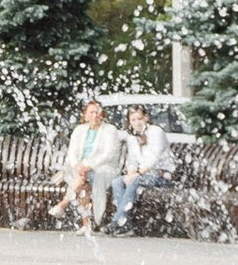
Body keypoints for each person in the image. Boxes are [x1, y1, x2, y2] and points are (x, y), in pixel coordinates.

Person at [58, 98, 122, 229]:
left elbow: (108, 154)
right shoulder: (79, 130)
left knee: (83, 178)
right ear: (85, 115)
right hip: (80, 170)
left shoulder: (110, 130)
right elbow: (72, 154)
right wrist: (77, 166)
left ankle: (64, 204)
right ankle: (86, 223)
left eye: (97, 112)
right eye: (91, 112)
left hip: (103, 168)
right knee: (83, 179)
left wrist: (89, 166)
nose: (95, 115)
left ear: (102, 114)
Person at [111, 103, 172, 228]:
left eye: (139, 119)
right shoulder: (132, 137)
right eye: (133, 120)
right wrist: (130, 174)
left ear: (146, 118)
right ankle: (126, 223)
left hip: (161, 175)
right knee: (117, 182)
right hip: (143, 175)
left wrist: (136, 175)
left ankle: (118, 221)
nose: (137, 123)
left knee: (135, 181)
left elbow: (153, 159)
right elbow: (132, 160)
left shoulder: (156, 132)